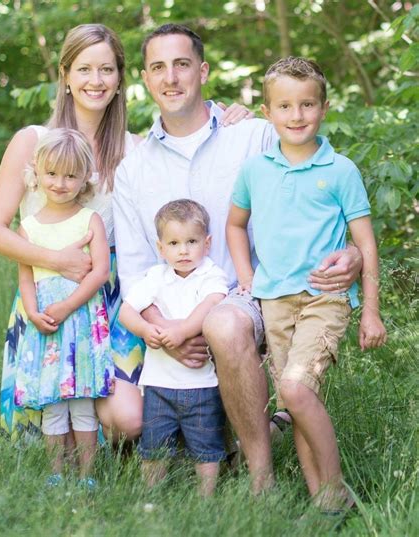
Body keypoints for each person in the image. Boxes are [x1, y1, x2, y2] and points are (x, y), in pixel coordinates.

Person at [113, 23, 363, 494]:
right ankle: (242, 447)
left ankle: (258, 480)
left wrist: (352, 252)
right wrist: (168, 332)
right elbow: (133, 267)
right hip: (174, 314)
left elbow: (322, 195)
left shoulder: (253, 135)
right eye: (158, 68)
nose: (171, 78)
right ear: (145, 79)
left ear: (203, 71)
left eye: (182, 64)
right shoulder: (134, 169)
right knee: (212, 328)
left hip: (258, 296)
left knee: (224, 322)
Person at [0, 23, 251, 444]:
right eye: (84, 69)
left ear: (121, 80)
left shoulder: (135, 149)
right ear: (65, 75)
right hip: (48, 293)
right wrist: (56, 260)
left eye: (106, 70)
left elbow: (186, 199)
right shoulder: (33, 141)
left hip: (113, 299)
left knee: (132, 419)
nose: (96, 81)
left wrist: (236, 115)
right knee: (55, 422)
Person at [226, 57, 387, 511]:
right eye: (285, 106)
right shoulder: (256, 169)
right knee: (298, 401)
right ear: (268, 111)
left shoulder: (341, 170)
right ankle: (325, 505)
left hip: (325, 297)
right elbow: (236, 224)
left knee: (296, 388)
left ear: (324, 107)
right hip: (274, 300)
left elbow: (366, 244)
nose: (297, 116)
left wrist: (370, 310)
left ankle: (336, 487)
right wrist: (247, 276)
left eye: (307, 104)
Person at [15, 128, 114, 488]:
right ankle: (57, 474)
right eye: (52, 173)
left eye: (71, 175)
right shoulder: (27, 228)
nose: (60, 183)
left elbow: (100, 271)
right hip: (46, 323)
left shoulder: (90, 220)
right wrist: (34, 313)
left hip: (81, 320)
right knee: (54, 405)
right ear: (37, 173)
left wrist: (68, 304)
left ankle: (87, 475)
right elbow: (27, 278)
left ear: (84, 177)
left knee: (83, 404)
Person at [119, 199, 228, 497]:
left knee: (206, 445)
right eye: (174, 243)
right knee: (154, 446)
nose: (183, 250)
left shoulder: (211, 275)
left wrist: (180, 330)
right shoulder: (156, 277)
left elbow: (211, 305)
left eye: (191, 241)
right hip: (158, 384)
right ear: (161, 247)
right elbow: (126, 311)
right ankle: (151, 493)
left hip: (202, 384)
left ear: (207, 243)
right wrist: (145, 330)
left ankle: (206, 497)